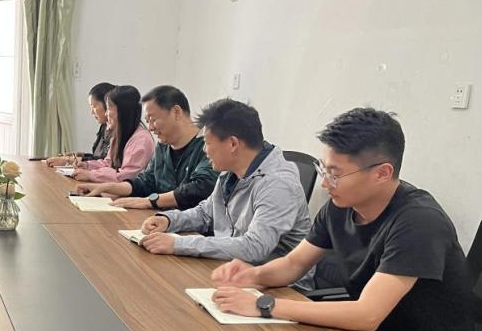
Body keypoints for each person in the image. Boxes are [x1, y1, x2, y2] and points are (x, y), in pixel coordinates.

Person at [210, 107, 474, 331]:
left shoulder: (419, 222)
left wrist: (264, 305)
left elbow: (367, 315)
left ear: (382, 173)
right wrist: (253, 275)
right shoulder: (341, 206)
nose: (325, 184)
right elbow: (294, 264)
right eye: (323, 170)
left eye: (335, 174)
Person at [139, 99, 310, 264]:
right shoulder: (231, 172)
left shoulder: (278, 184)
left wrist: (178, 244)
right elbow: (206, 214)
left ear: (232, 144)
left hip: (273, 279)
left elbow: (254, 247)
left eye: (207, 143)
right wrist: (169, 220)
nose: (204, 150)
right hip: (232, 266)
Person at [76, 85, 217, 211]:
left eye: (153, 119)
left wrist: (150, 201)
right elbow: (146, 181)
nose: (150, 128)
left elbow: (199, 188)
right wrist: (106, 187)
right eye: (148, 121)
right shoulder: (163, 147)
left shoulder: (208, 146)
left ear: (176, 112)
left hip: (189, 227)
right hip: (159, 220)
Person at [73, 85, 154, 182]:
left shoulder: (141, 139)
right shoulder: (119, 133)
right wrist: (87, 165)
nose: (106, 114)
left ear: (122, 111)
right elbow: (108, 163)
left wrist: (91, 175)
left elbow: (125, 177)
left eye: (109, 109)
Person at [45, 82, 115, 166]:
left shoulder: (119, 131)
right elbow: (98, 158)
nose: (92, 112)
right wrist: (81, 155)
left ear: (107, 104)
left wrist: (70, 160)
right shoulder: (104, 126)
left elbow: (107, 163)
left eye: (94, 106)